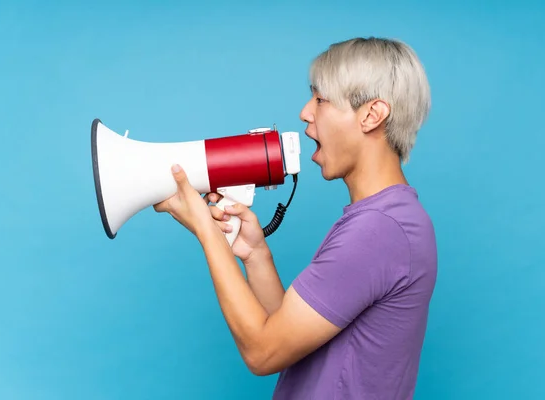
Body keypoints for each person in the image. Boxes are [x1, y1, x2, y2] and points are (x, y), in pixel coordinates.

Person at [153, 36, 437, 400]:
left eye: (321, 99)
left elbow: (262, 352)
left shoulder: (380, 229)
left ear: (371, 115)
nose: (305, 112)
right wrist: (256, 255)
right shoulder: (385, 219)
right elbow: (291, 338)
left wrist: (209, 235)